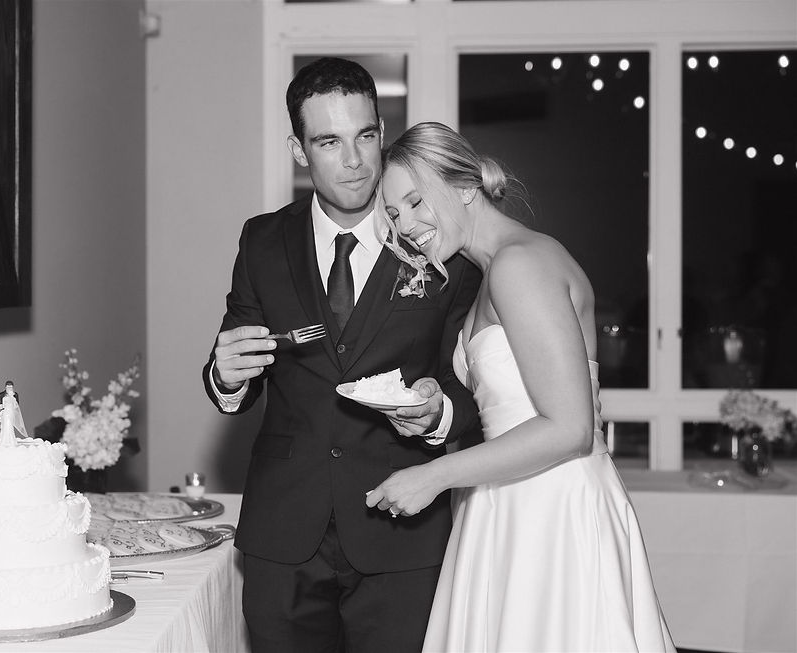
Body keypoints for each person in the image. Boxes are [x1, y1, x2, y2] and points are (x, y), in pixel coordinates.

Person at [202, 59, 481, 653]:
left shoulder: (439, 242)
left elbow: (473, 392)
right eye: (329, 141)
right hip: (284, 533)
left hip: (402, 528)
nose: (354, 161)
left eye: (366, 136)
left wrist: (438, 417)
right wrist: (224, 376)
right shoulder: (262, 241)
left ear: (382, 130)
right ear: (299, 151)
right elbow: (238, 368)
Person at [365, 122, 675, 652]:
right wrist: (435, 398)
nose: (407, 225)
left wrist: (433, 477)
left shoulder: (519, 264)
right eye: (394, 214)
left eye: (416, 202)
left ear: (465, 187)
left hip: (550, 511)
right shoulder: (488, 271)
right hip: (507, 501)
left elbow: (571, 428)